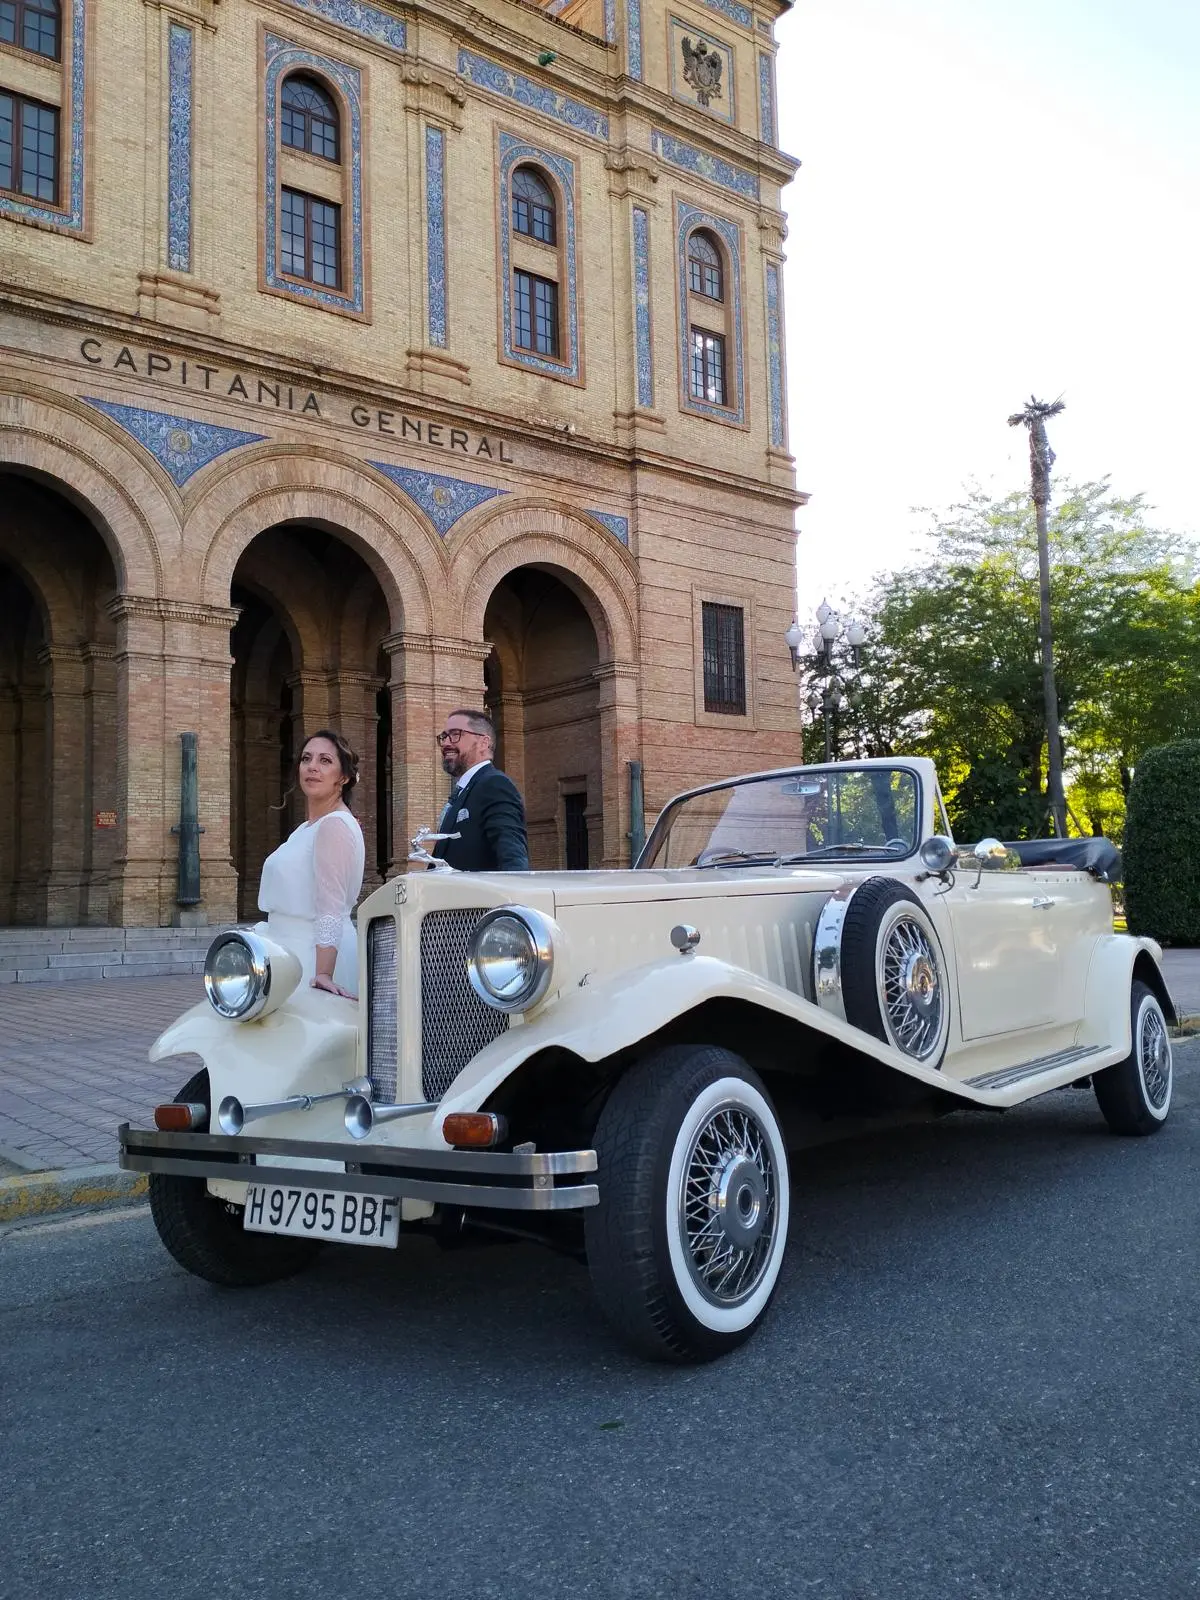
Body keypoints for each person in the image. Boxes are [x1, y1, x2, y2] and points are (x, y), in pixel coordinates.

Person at [257, 729, 365, 998]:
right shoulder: (307, 827)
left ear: (344, 777)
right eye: (306, 759)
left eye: (325, 761)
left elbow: (331, 905)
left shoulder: (334, 826)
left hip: (310, 958)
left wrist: (324, 973)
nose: (312, 767)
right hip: (286, 952)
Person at [432, 709, 530, 872]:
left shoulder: (495, 784)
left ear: (484, 742)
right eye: (444, 736)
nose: (446, 743)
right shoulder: (463, 791)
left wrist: (514, 886)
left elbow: (512, 857)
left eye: (455, 734)